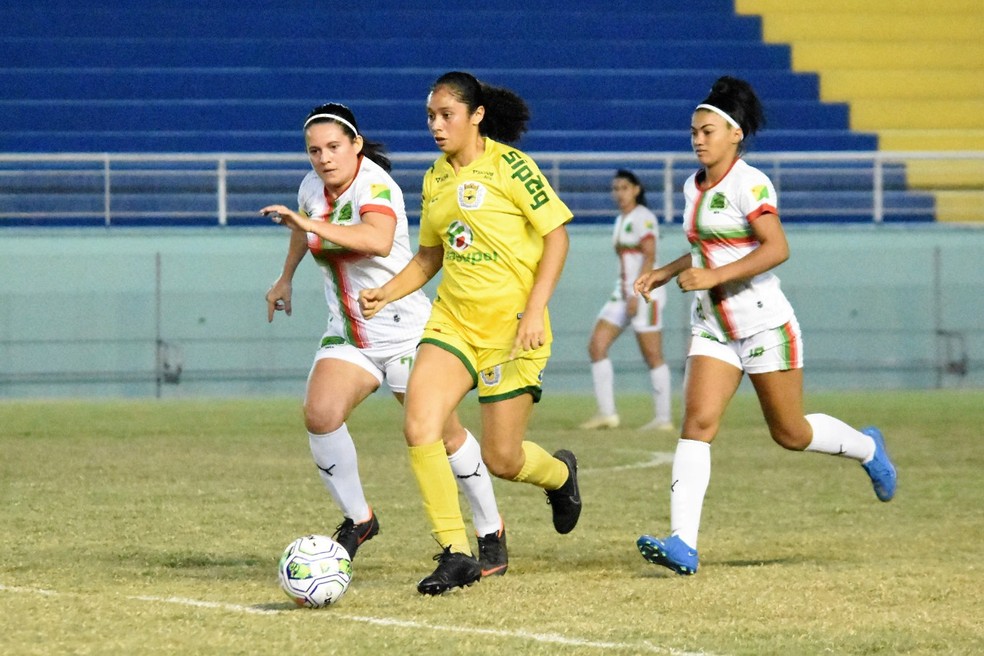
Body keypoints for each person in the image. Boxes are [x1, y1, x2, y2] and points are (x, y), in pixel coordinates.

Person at [632, 76, 897, 575]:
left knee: (790, 433)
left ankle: (867, 447)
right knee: (697, 426)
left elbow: (776, 248)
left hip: (763, 326)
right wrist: (667, 273)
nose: (697, 139)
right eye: (693, 131)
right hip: (713, 327)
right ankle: (683, 545)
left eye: (707, 131)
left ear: (735, 134)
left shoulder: (750, 183)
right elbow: (706, 247)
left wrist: (711, 275)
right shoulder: (693, 184)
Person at [261, 103, 507, 577]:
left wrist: (308, 224)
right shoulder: (312, 187)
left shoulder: (375, 185)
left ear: (355, 145)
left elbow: (375, 239)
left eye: (334, 147)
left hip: (406, 334)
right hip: (351, 332)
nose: (324, 158)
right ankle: (360, 520)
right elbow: (301, 230)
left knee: (445, 434)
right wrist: (285, 276)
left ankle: (490, 530)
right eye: (314, 150)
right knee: (320, 414)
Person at [359, 71, 581, 595]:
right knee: (420, 425)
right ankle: (456, 552)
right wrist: (387, 292)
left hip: (511, 332)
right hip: (453, 323)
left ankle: (560, 476)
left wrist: (534, 310)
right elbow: (430, 256)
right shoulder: (435, 178)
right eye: (430, 117)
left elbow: (557, 238)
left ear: (476, 115)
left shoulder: (512, 167)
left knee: (504, 459)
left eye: (446, 116)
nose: (436, 126)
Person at [580, 169, 673, 431]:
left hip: (645, 294)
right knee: (597, 345)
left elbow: (649, 254)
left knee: (652, 355)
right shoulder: (622, 219)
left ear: (636, 189)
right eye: (615, 188)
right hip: (621, 293)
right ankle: (607, 413)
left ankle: (663, 419)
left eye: (623, 187)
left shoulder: (643, 218)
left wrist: (639, 291)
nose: (618, 193)